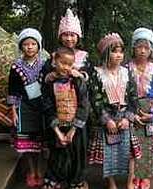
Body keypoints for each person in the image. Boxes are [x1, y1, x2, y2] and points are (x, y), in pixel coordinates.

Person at [88, 33, 138, 189]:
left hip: (124, 116)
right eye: (114, 51)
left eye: (121, 51)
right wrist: (107, 120)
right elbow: (95, 99)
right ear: (105, 54)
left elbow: (133, 97)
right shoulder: (97, 73)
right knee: (107, 153)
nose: (118, 55)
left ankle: (130, 182)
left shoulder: (127, 72)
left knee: (131, 153)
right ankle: (111, 183)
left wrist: (128, 118)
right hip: (107, 117)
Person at [41, 47, 89, 189]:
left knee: (77, 156)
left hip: (77, 129)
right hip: (58, 127)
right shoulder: (50, 83)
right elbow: (47, 107)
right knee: (57, 156)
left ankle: (76, 182)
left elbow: (84, 106)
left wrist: (72, 130)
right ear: (55, 62)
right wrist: (58, 132)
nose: (65, 67)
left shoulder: (78, 82)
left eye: (69, 64)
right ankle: (53, 181)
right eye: (62, 63)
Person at [127, 27, 153, 189]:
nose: (142, 51)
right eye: (139, 47)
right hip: (134, 110)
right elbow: (124, 93)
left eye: (146, 48)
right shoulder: (127, 68)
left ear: (151, 50)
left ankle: (146, 177)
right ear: (133, 48)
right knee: (134, 147)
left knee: (148, 146)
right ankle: (134, 176)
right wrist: (131, 113)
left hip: (151, 112)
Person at [7, 28, 44, 188]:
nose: (29, 47)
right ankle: (31, 172)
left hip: (41, 108)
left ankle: (40, 172)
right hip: (24, 108)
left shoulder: (44, 65)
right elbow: (12, 90)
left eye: (33, 44)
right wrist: (13, 111)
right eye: (26, 44)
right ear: (21, 47)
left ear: (38, 46)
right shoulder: (16, 67)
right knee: (28, 145)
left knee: (41, 144)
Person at [44, 8, 89, 84]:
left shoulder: (84, 57)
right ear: (60, 37)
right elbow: (44, 76)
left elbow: (91, 79)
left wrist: (80, 75)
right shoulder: (54, 56)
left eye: (72, 35)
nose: (68, 39)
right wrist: (49, 77)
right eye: (65, 35)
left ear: (77, 37)